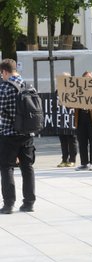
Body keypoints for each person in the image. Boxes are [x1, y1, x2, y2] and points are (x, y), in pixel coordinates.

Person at [0, 59, 36, 214]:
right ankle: (29, 202)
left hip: (8, 134)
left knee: (7, 167)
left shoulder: (4, 88)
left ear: (5, 71)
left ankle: (9, 204)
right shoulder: (29, 86)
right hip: (27, 134)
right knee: (27, 167)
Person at [75, 71, 92, 171]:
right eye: (85, 78)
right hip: (81, 117)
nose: (87, 80)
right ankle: (84, 163)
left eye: (89, 78)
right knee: (82, 141)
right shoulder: (77, 89)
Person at [56, 72, 78, 168]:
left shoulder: (74, 90)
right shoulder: (58, 90)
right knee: (63, 140)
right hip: (61, 119)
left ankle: (72, 159)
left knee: (71, 139)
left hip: (70, 118)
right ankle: (64, 159)